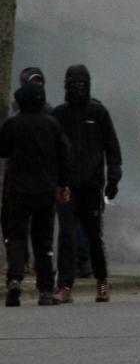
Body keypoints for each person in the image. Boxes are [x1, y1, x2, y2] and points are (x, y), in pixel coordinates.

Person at [52, 65, 122, 304]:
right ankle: (64, 285)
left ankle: (102, 282)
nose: (77, 88)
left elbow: (112, 148)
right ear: (66, 86)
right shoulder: (59, 114)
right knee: (66, 236)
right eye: (73, 83)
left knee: (94, 237)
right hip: (66, 186)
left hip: (92, 185)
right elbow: (51, 149)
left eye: (81, 83)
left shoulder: (98, 113)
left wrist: (113, 179)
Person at [0, 82, 71, 307]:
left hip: (17, 190)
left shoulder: (13, 124)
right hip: (45, 191)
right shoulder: (52, 125)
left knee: (16, 237)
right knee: (43, 240)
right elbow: (64, 155)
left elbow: (2, 150)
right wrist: (63, 184)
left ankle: (14, 278)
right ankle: (45, 289)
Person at [2, 68, 47, 252]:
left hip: (41, 174)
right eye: (33, 82)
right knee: (11, 217)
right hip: (15, 173)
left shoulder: (48, 112)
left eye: (39, 82)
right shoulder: (11, 112)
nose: (37, 86)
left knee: (39, 222)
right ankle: (20, 258)